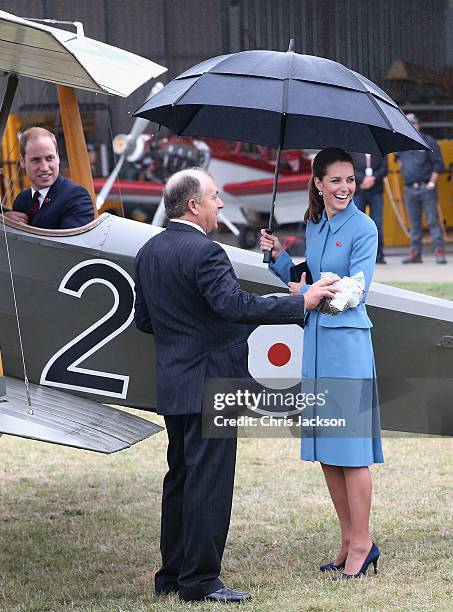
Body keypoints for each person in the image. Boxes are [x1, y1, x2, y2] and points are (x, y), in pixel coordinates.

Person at [134, 168, 337, 603]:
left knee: (181, 480)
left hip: (174, 383)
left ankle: (172, 574)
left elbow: (145, 321)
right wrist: (302, 301)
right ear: (193, 205)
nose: (220, 203)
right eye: (213, 196)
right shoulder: (207, 253)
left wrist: (189, 333)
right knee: (209, 482)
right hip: (212, 384)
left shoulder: (149, 251)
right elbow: (235, 305)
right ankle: (200, 581)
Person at [261, 148, 383, 579]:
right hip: (314, 342)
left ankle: (364, 544)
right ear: (318, 182)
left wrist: (322, 293)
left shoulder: (364, 226)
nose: (345, 187)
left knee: (351, 452)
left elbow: (357, 289)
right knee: (329, 452)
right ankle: (348, 540)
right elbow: (305, 280)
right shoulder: (316, 225)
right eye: (336, 180)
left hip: (346, 345)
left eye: (349, 179)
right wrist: (278, 257)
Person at [5, 127, 95, 229]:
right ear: (22, 161)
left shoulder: (77, 197)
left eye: (49, 158)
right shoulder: (22, 200)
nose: (44, 167)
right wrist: (4, 224)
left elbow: (70, 244)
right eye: (36, 160)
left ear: (58, 158)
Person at [397, 114, 446, 264]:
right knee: (414, 223)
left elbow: (438, 164)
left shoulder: (429, 141)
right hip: (410, 188)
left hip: (426, 187)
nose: (411, 125)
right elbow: (399, 160)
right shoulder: (402, 143)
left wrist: (431, 183)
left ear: (418, 124)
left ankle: (439, 251)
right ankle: (415, 253)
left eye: (413, 123)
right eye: (408, 123)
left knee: (432, 220)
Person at [351, 152, 388, 264]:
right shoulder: (352, 151)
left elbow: (385, 168)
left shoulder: (379, 151)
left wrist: (373, 179)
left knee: (377, 223)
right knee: (357, 225)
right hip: (358, 190)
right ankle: (358, 255)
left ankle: (379, 255)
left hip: (376, 190)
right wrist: (362, 179)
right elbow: (349, 168)